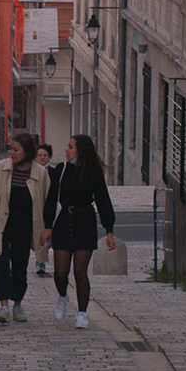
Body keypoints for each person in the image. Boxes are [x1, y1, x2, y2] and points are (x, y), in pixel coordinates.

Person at [0, 132, 49, 324]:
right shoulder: (3, 168)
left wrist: (48, 227)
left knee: (20, 265)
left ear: (26, 151)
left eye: (15, 150)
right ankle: (3, 306)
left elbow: (47, 202)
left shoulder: (40, 173)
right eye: (10, 149)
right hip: (2, 224)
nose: (11, 153)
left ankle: (18, 304)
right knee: (2, 264)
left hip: (25, 226)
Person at [42, 134, 116, 330]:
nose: (66, 150)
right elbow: (51, 198)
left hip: (85, 221)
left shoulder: (93, 173)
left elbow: (103, 200)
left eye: (70, 147)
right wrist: (47, 226)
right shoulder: (61, 170)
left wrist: (109, 230)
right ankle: (63, 296)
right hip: (64, 221)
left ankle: (82, 313)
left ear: (80, 151)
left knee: (80, 271)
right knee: (60, 272)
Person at [33, 143, 54, 277]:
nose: (42, 158)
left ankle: (41, 260)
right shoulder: (31, 171)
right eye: (40, 155)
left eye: (45, 155)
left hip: (48, 207)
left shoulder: (53, 172)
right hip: (34, 207)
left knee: (45, 236)